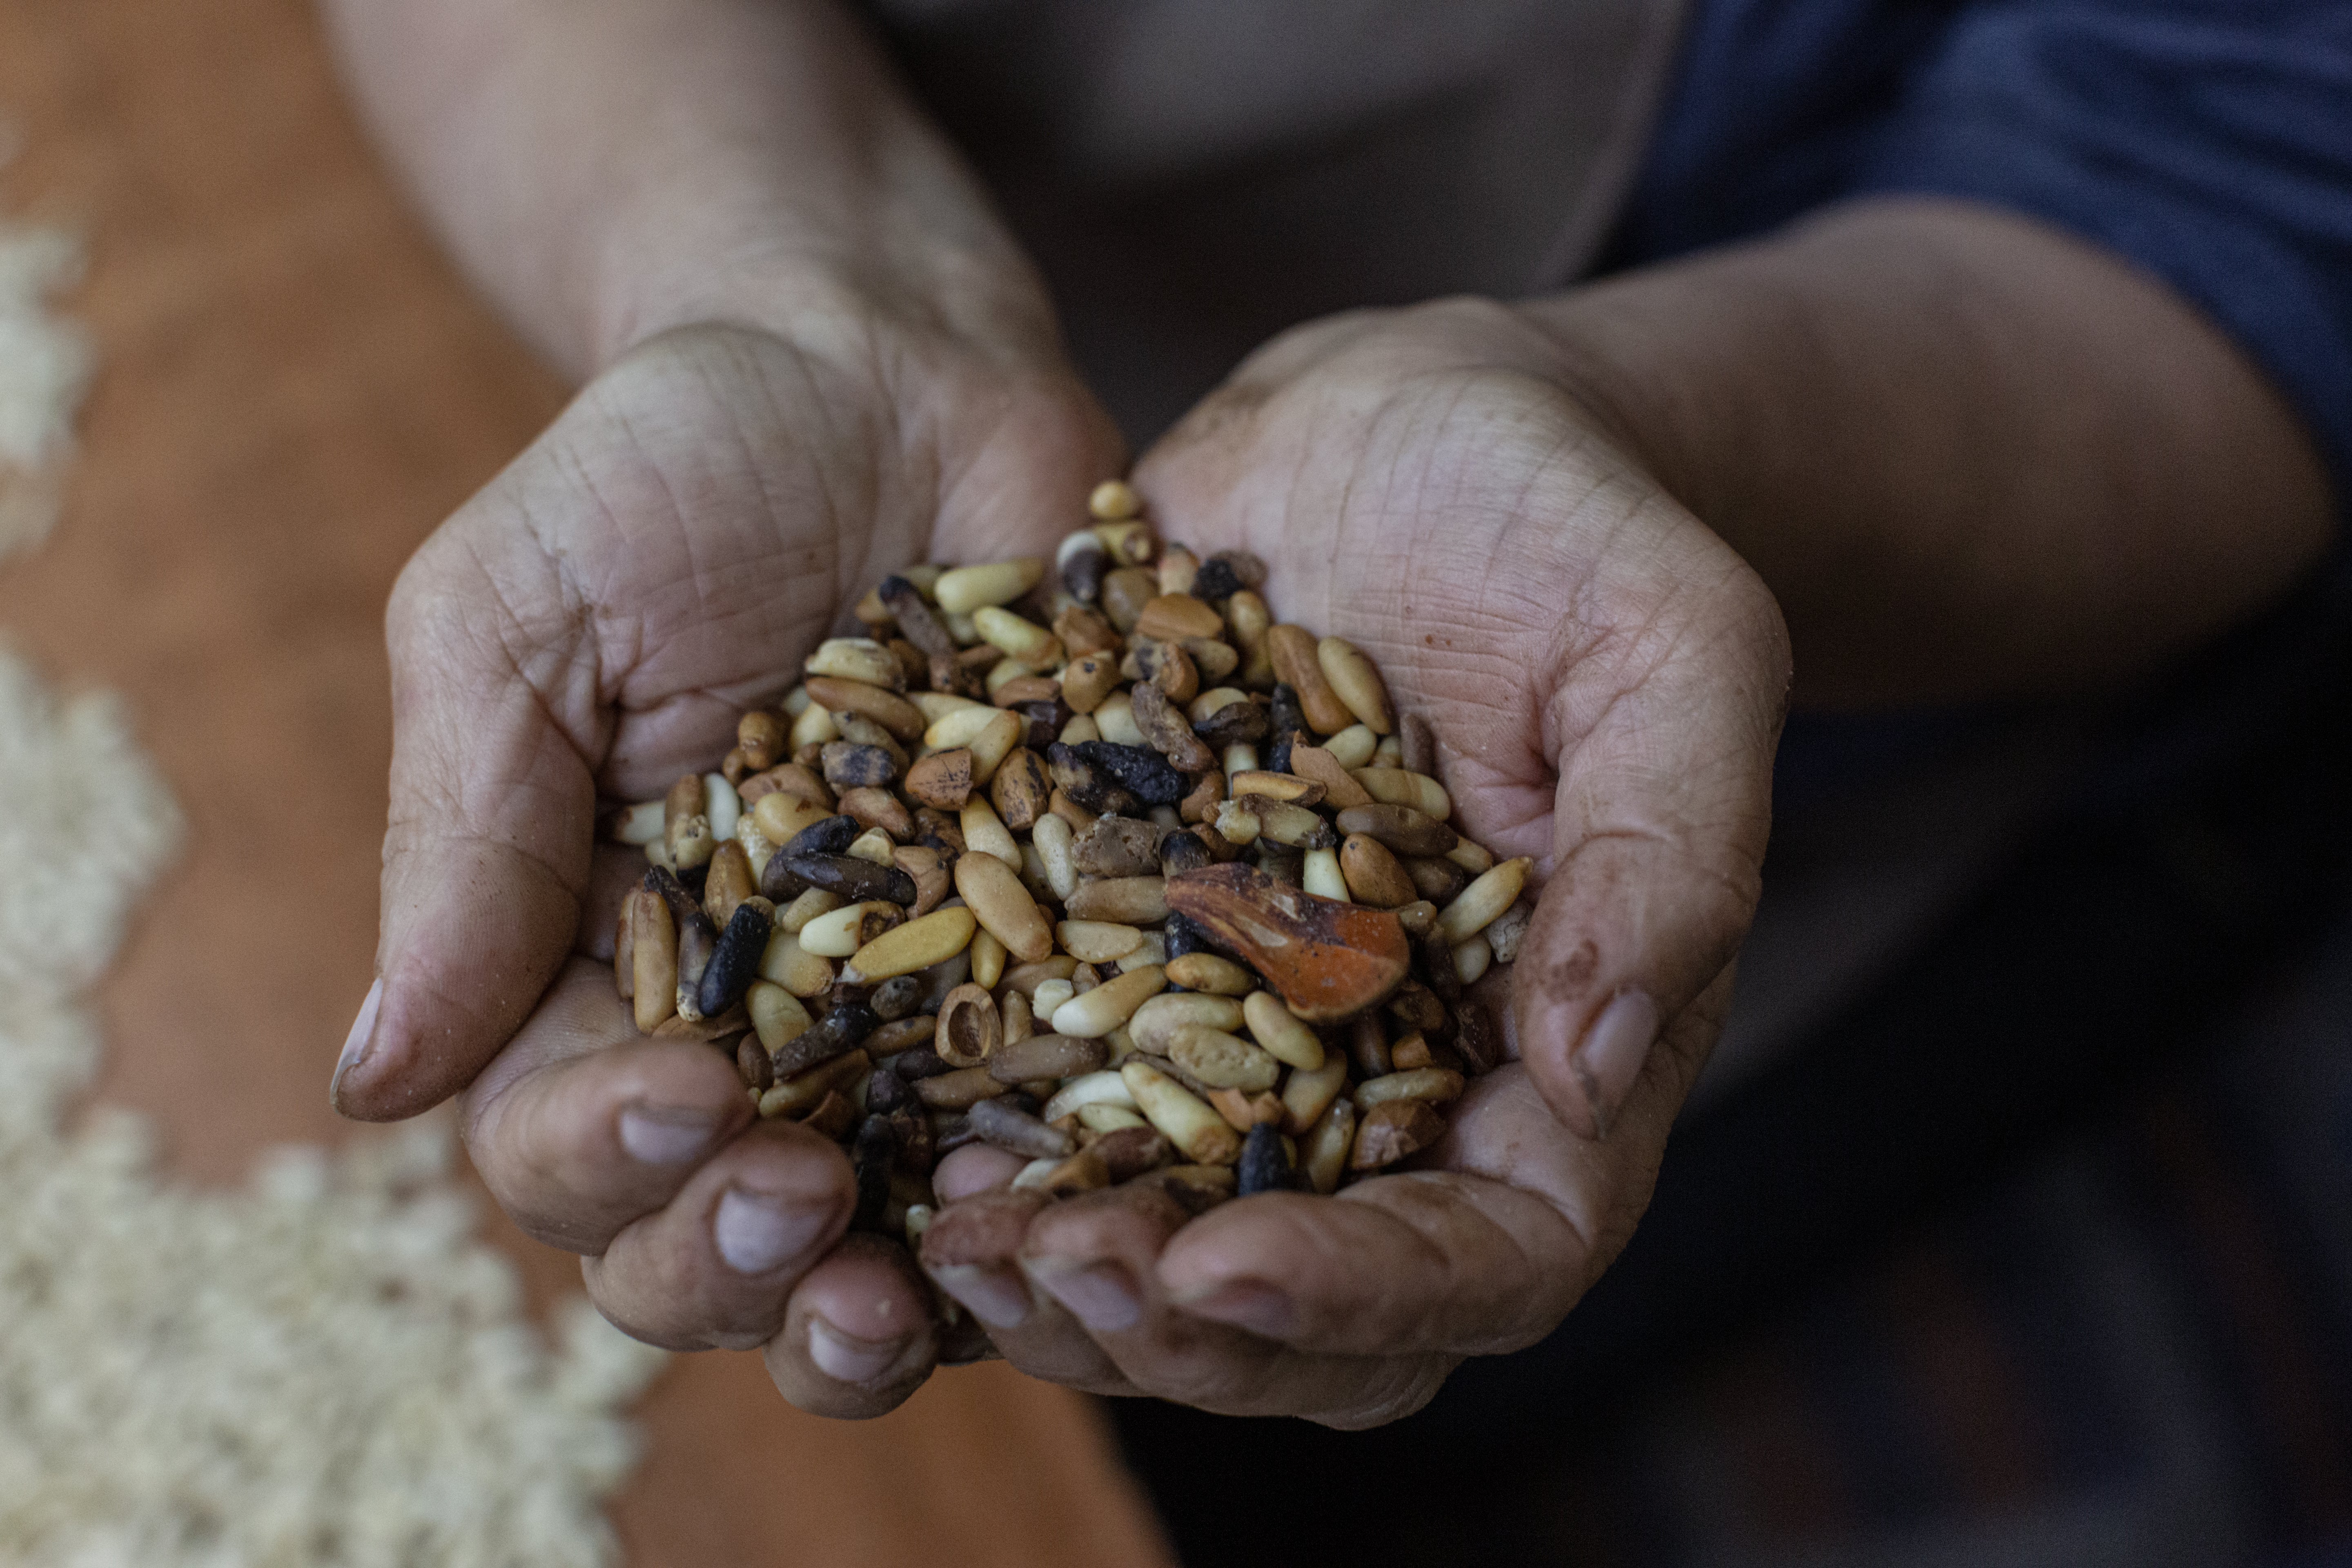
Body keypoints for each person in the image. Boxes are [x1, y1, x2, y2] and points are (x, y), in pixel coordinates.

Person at [321, 0, 2345, 1445]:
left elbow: (2245, 187)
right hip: (860, 341)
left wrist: (1640, 428)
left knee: (1372, 1344)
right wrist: (775, 275)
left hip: (1756, 683)